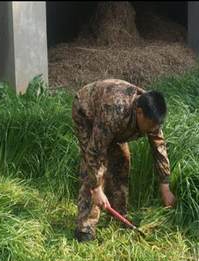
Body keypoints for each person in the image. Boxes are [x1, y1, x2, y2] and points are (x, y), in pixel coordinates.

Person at [72, 78, 176, 242]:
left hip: (112, 122)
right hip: (86, 112)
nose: (152, 130)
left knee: (122, 160)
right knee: (93, 168)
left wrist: (165, 185)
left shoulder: (151, 114)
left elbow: (159, 147)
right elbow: (94, 153)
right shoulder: (115, 110)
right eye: (150, 126)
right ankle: (85, 228)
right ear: (139, 113)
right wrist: (97, 188)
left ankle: (119, 215)